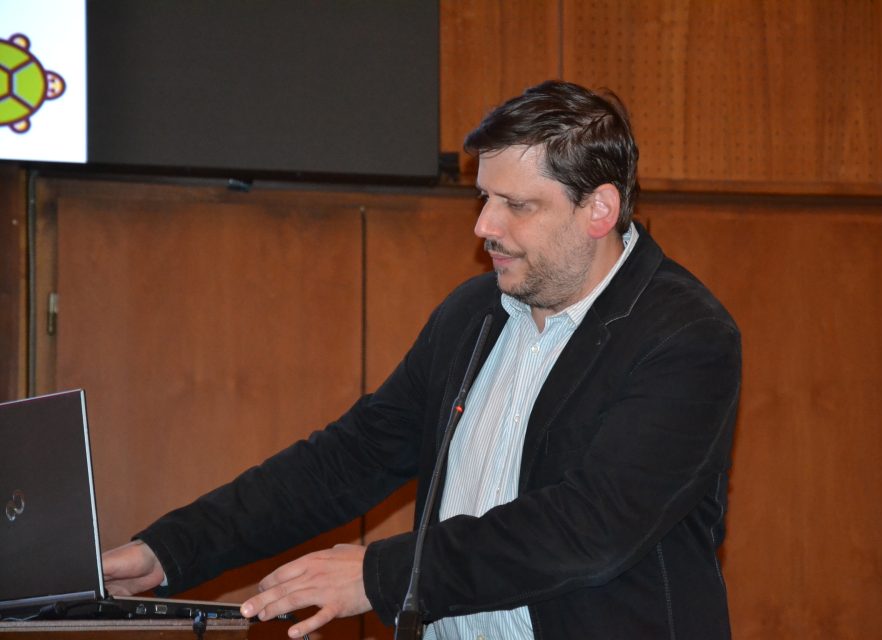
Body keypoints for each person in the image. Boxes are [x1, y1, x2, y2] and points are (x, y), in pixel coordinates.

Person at [103, 80, 741, 640]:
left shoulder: (684, 336)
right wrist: (172, 549)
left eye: (517, 205)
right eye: (483, 198)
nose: (484, 226)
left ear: (598, 210)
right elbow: (351, 458)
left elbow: (589, 528)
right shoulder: (473, 314)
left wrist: (382, 575)